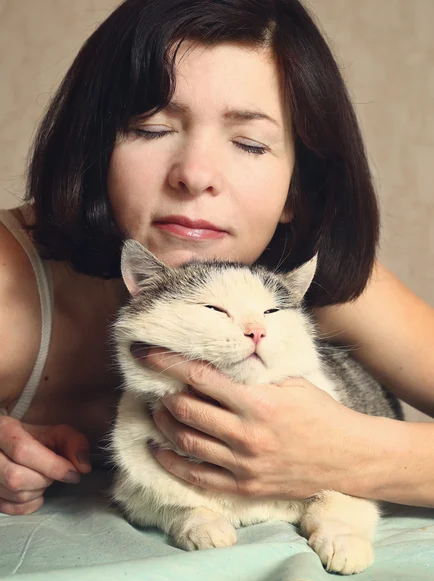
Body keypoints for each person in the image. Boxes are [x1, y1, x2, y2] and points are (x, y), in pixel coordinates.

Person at [0, 0, 433, 518]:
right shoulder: (9, 288)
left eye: (249, 144)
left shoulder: (292, 283)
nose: (196, 174)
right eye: (152, 129)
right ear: (95, 152)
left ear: (298, 189)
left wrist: (349, 455)